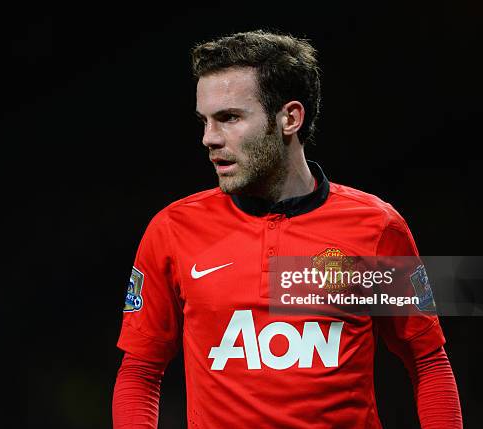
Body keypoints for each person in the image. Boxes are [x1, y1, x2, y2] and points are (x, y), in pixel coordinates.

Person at [113, 30, 462, 428]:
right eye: (205, 121)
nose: (209, 138)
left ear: (289, 118)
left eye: (229, 118)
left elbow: (427, 361)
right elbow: (140, 372)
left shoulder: (376, 227)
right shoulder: (173, 229)